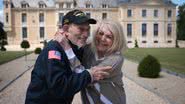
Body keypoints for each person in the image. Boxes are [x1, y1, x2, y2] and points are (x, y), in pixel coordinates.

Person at [25, 9, 112, 104]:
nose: (86, 34)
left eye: (88, 29)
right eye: (81, 29)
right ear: (66, 29)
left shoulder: (75, 47)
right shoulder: (54, 49)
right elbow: (59, 87)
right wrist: (89, 75)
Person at [55, 20, 127, 104]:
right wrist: (65, 33)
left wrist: (66, 47)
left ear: (116, 40)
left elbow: (85, 78)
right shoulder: (88, 48)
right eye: (100, 33)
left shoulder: (116, 58)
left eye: (109, 37)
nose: (102, 39)